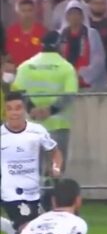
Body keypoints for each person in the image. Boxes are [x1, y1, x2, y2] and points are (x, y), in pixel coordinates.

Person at [11, 31, 78, 202]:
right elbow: (69, 96)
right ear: (59, 45)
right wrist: (50, 110)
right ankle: (54, 203)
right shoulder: (66, 67)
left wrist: (32, 109)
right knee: (56, 167)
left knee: (32, 168)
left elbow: (17, 91)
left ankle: (32, 203)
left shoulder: (26, 66)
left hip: (31, 124)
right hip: (58, 124)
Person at [0, 91, 62, 234]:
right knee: (28, 232)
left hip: (34, 192)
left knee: (38, 231)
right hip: (11, 193)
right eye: (10, 109)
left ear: (25, 110)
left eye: (18, 108)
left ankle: (8, 227)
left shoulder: (37, 131)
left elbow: (55, 152)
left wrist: (56, 167)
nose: (14, 113)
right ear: (5, 111)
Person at [59, 0, 107, 89]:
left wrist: (82, 74)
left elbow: (98, 59)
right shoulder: (60, 36)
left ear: (82, 16)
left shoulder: (92, 34)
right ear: (66, 16)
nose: (74, 17)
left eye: (77, 14)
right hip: (64, 81)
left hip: (87, 82)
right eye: (71, 14)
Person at [4, 0, 46, 74]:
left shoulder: (43, 32)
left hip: (37, 74)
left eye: (30, 10)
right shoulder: (11, 32)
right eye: (23, 11)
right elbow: (7, 55)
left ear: (34, 12)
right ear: (18, 13)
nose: (27, 14)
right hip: (15, 74)